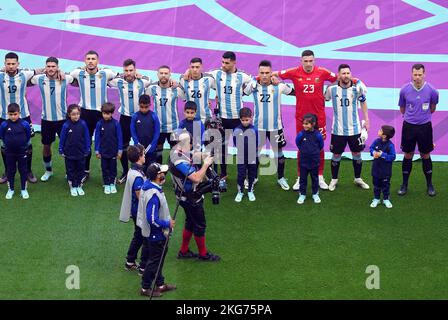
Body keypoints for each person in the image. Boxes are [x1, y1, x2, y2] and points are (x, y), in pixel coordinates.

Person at [185, 52, 253, 189]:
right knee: (221, 148)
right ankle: (223, 174)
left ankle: (246, 176)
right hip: (221, 118)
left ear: (234, 63)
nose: (223, 65)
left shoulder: (243, 76)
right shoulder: (216, 74)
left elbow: (253, 82)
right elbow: (200, 74)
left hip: (238, 119)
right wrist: (187, 71)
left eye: (226, 63)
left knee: (242, 148)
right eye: (222, 62)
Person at [272, 50, 337, 191]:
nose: (308, 64)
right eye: (305, 61)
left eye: (310, 61)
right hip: (301, 118)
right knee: (301, 147)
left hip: (319, 118)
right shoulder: (294, 72)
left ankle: (320, 176)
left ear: (314, 60)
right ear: (301, 61)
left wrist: (328, 93)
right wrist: (271, 79)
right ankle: (300, 176)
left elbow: (338, 79)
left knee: (319, 147)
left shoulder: (323, 72)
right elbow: (273, 74)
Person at [244, 60, 295, 191]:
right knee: (255, 153)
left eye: (267, 73)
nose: (265, 75)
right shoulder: (253, 85)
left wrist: (281, 81)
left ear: (271, 73)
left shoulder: (279, 86)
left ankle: (281, 178)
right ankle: (253, 177)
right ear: (258, 73)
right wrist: (253, 80)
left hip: (275, 127)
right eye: (262, 73)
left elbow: (294, 92)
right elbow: (243, 92)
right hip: (257, 127)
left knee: (278, 152)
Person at [170, 132, 220, 261]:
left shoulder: (175, 151)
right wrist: (206, 164)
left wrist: (203, 155)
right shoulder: (179, 161)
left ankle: (184, 250)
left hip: (184, 196)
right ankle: (203, 254)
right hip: (190, 197)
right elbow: (197, 178)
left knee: (190, 222)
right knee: (200, 225)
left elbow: (191, 155)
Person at [70, 50, 119, 180]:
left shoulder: (105, 73)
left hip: (101, 113)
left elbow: (120, 75)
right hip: (85, 112)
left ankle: (109, 172)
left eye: (93, 59)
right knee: (85, 143)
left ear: (98, 61)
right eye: (88, 59)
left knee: (107, 141)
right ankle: (85, 171)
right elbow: (67, 76)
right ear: (84, 61)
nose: (90, 61)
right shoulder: (78, 73)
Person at [324, 64, 370, 191]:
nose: (346, 75)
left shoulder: (357, 88)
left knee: (357, 153)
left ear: (351, 74)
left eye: (348, 73)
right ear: (339, 75)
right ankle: (334, 179)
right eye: (343, 73)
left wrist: (366, 119)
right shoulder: (331, 89)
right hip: (337, 130)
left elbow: (363, 102)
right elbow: (324, 99)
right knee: (336, 155)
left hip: (355, 129)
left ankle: (358, 178)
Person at [30, 57, 74, 182]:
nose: (51, 69)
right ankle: (48, 171)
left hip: (63, 119)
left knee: (67, 146)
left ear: (57, 67)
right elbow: (24, 77)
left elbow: (78, 77)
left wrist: (63, 73)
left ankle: (69, 172)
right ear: (45, 67)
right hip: (46, 119)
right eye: (48, 66)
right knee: (46, 146)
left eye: (53, 66)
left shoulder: (66, 78)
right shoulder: (39, 79)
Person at [397, 64, 439, 197]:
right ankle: (404, 185)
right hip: (409, 127)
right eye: (415, 74)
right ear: (411, 74)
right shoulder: (404, 90)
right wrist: (411, 118)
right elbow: (402, 109)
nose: (417, 77)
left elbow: (432, 108)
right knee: (408, 154)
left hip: (425, 127)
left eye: (420, 74)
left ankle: (430, 185)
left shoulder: (433, 91)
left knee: (425, 155)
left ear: (424, 74)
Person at [0, 52, 42, 184]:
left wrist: (59, 71)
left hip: (24, 116)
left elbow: (42, 70)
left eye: (13, 63)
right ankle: (7, 171)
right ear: (4, 64)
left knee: (28, 144)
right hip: (4, 117)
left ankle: (28, 171)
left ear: (18, 64)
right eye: (8, 64)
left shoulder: (25, 74)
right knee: (4, 144)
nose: (11, 66)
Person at [109, 59, 151, 184]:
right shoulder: (119, 82)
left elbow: (149, 79)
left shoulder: (142, 81)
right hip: (125, 117)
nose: (128, 73)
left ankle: (142, 171)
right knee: (123, 145)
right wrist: (119, 75)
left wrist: (141, 75)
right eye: (126, 71)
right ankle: (126, 172)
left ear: (135, 70)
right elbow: (107, 79)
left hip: (140, 118)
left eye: (131, 70)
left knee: (142, 146)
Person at [138, 162, 176, 298]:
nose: (164, 175)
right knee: (154, 262)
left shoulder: (150, 185)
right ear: (156, 176)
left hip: (154, 234)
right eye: (162, 173)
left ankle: (160, 284)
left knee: (158, 260)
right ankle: (145, 288)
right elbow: (152, 219)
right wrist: (168, 223)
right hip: (156, 235)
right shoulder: (153, 195)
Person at [119, 144, 149, 274]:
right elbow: (141, 197)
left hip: (136, 211)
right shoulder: (137, 176)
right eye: (143, 153)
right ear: (139, 156)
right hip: (140, 212)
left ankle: (130, 261)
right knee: (146, 238)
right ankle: (143, 267)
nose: (145, 155)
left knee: (138, 236)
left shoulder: (133, 171)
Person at [146, 65, 185, 164]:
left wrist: (179, 85)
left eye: (166, 73)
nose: (163, 75)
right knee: (158, 152)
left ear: (170, 75)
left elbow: (187, 97)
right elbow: (143, 99)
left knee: (175, 153)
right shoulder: (152, 88)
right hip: (158, 127)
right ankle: (158, 173)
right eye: (161, 73)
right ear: (157, 74)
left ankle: (175, 175)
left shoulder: (176, 89)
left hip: (174, 127)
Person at [0, 103, 31, 199]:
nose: (13, 116)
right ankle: (11, 189)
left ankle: (23, 189)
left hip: (22, 152)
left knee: (23, 170)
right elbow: (2, 136)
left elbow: (28, 136)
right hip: (9, 153)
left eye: (15, 114)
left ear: (19, 113)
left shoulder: (24, 124)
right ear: (7, 114)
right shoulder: (4, 124)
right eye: (11, 114)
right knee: (10, 171)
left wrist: (25, 147)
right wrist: (6, 146)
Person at [59, 104, 90, 197]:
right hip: (69, 153)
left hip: (81, 152)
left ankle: (79, 186)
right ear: (69, 115)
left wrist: (87, 148)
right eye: (73, 114)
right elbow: (62, 138)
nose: (76, 116)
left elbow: (87, 137)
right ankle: (73, 186)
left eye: (77, 114)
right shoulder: (66, 125)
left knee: (80, 169)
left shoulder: (83, 124)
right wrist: (61, 149)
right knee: (70, 170)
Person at [295, 113, 324, 204]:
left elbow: (321, 146)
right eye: (303, 123)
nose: (304, 125)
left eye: (306, 124)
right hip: (303, 162)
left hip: (314, 162)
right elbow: (297, 143)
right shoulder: (301, 134)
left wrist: (313, 152)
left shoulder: (318, 135)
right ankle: (302, 194)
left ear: (313, 124)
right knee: (303, 179)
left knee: (315, 179)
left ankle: (315, 193)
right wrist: (304, 150)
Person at [94, 102, 123, 194]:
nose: (106, 116)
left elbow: (119, 137)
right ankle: (106, 184)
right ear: (102, 113)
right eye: (104, 113)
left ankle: (112, 184)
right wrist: (97, 150)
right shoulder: (99, 124)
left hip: (113, 152)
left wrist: (120, 150)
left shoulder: (116, 124)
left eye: (108, 114)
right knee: (104, 168)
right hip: (103, 152)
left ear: (112, 113)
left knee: (113, 168)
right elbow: (97, 137)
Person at [233, 107, 258, 202]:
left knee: (251, 174)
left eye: (247, 120)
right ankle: (240, 192)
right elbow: (235, 143)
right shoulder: (237, 130)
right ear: (240, 119)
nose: (245, 122)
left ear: (251, 118)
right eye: (242, 120)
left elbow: (257, 142)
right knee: (241, 174)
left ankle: (250, 190)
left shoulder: (254, 129)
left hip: (252, 156)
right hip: (241, 156)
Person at [130, 94, 160, 173]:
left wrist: (153, 145)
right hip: (139, 147)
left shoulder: (154, 116)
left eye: (146, 107)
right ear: (139, 105)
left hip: (151, 148)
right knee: (138, 167)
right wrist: (137, 143)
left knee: (151, 167)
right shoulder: (135, 116)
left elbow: (157, 132)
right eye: (141, 107)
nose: (143, 109)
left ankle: (150, 182)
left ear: (150, 105)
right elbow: (133, 131)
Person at [179, 57, 214, 123]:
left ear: (201, 67)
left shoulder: (209, 78)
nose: (195, 70)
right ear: (189, 68)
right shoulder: (183, 79)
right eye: (192, 67)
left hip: (206, 118)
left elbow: (219, 87)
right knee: (195, 133)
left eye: (197, 67)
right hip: (191, 118)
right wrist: (186, 72)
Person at [370, 125, 396, 209]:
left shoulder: (390, 145)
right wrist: (373, 152)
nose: (378, 131)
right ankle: (376, 198)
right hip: (376, 169)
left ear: (384, 135)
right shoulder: (376, 141)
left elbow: (393, 157)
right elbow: (371, 148)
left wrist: (382, 154)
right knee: (376, 185)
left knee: (386, 186)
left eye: (380, 130)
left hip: (386, 171)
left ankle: (386, 199)